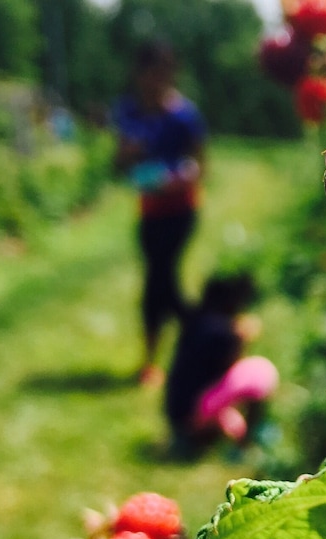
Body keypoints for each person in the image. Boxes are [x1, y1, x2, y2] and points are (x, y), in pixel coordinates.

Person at [112, 40, 206, 387]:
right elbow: (118, 164)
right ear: (139, 75)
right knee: (163, 282)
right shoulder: (128, 112)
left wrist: (182, 178)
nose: (157, 80)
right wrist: (128, 154)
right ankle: (200, 336)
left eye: (164, 73)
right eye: (152, 73)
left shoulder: (184, 116)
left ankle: (158, 360)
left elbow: (200, 165)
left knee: (158, 281)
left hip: (180, 210)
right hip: (149, 211)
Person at [164, 273, 278, 458]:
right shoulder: (224, 333)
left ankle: (204, 431)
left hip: (177, 409)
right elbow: (228, 368)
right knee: (262, 372)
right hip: (195, 411)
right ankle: (247, 442)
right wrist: (241, 339)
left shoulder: (195, 319)